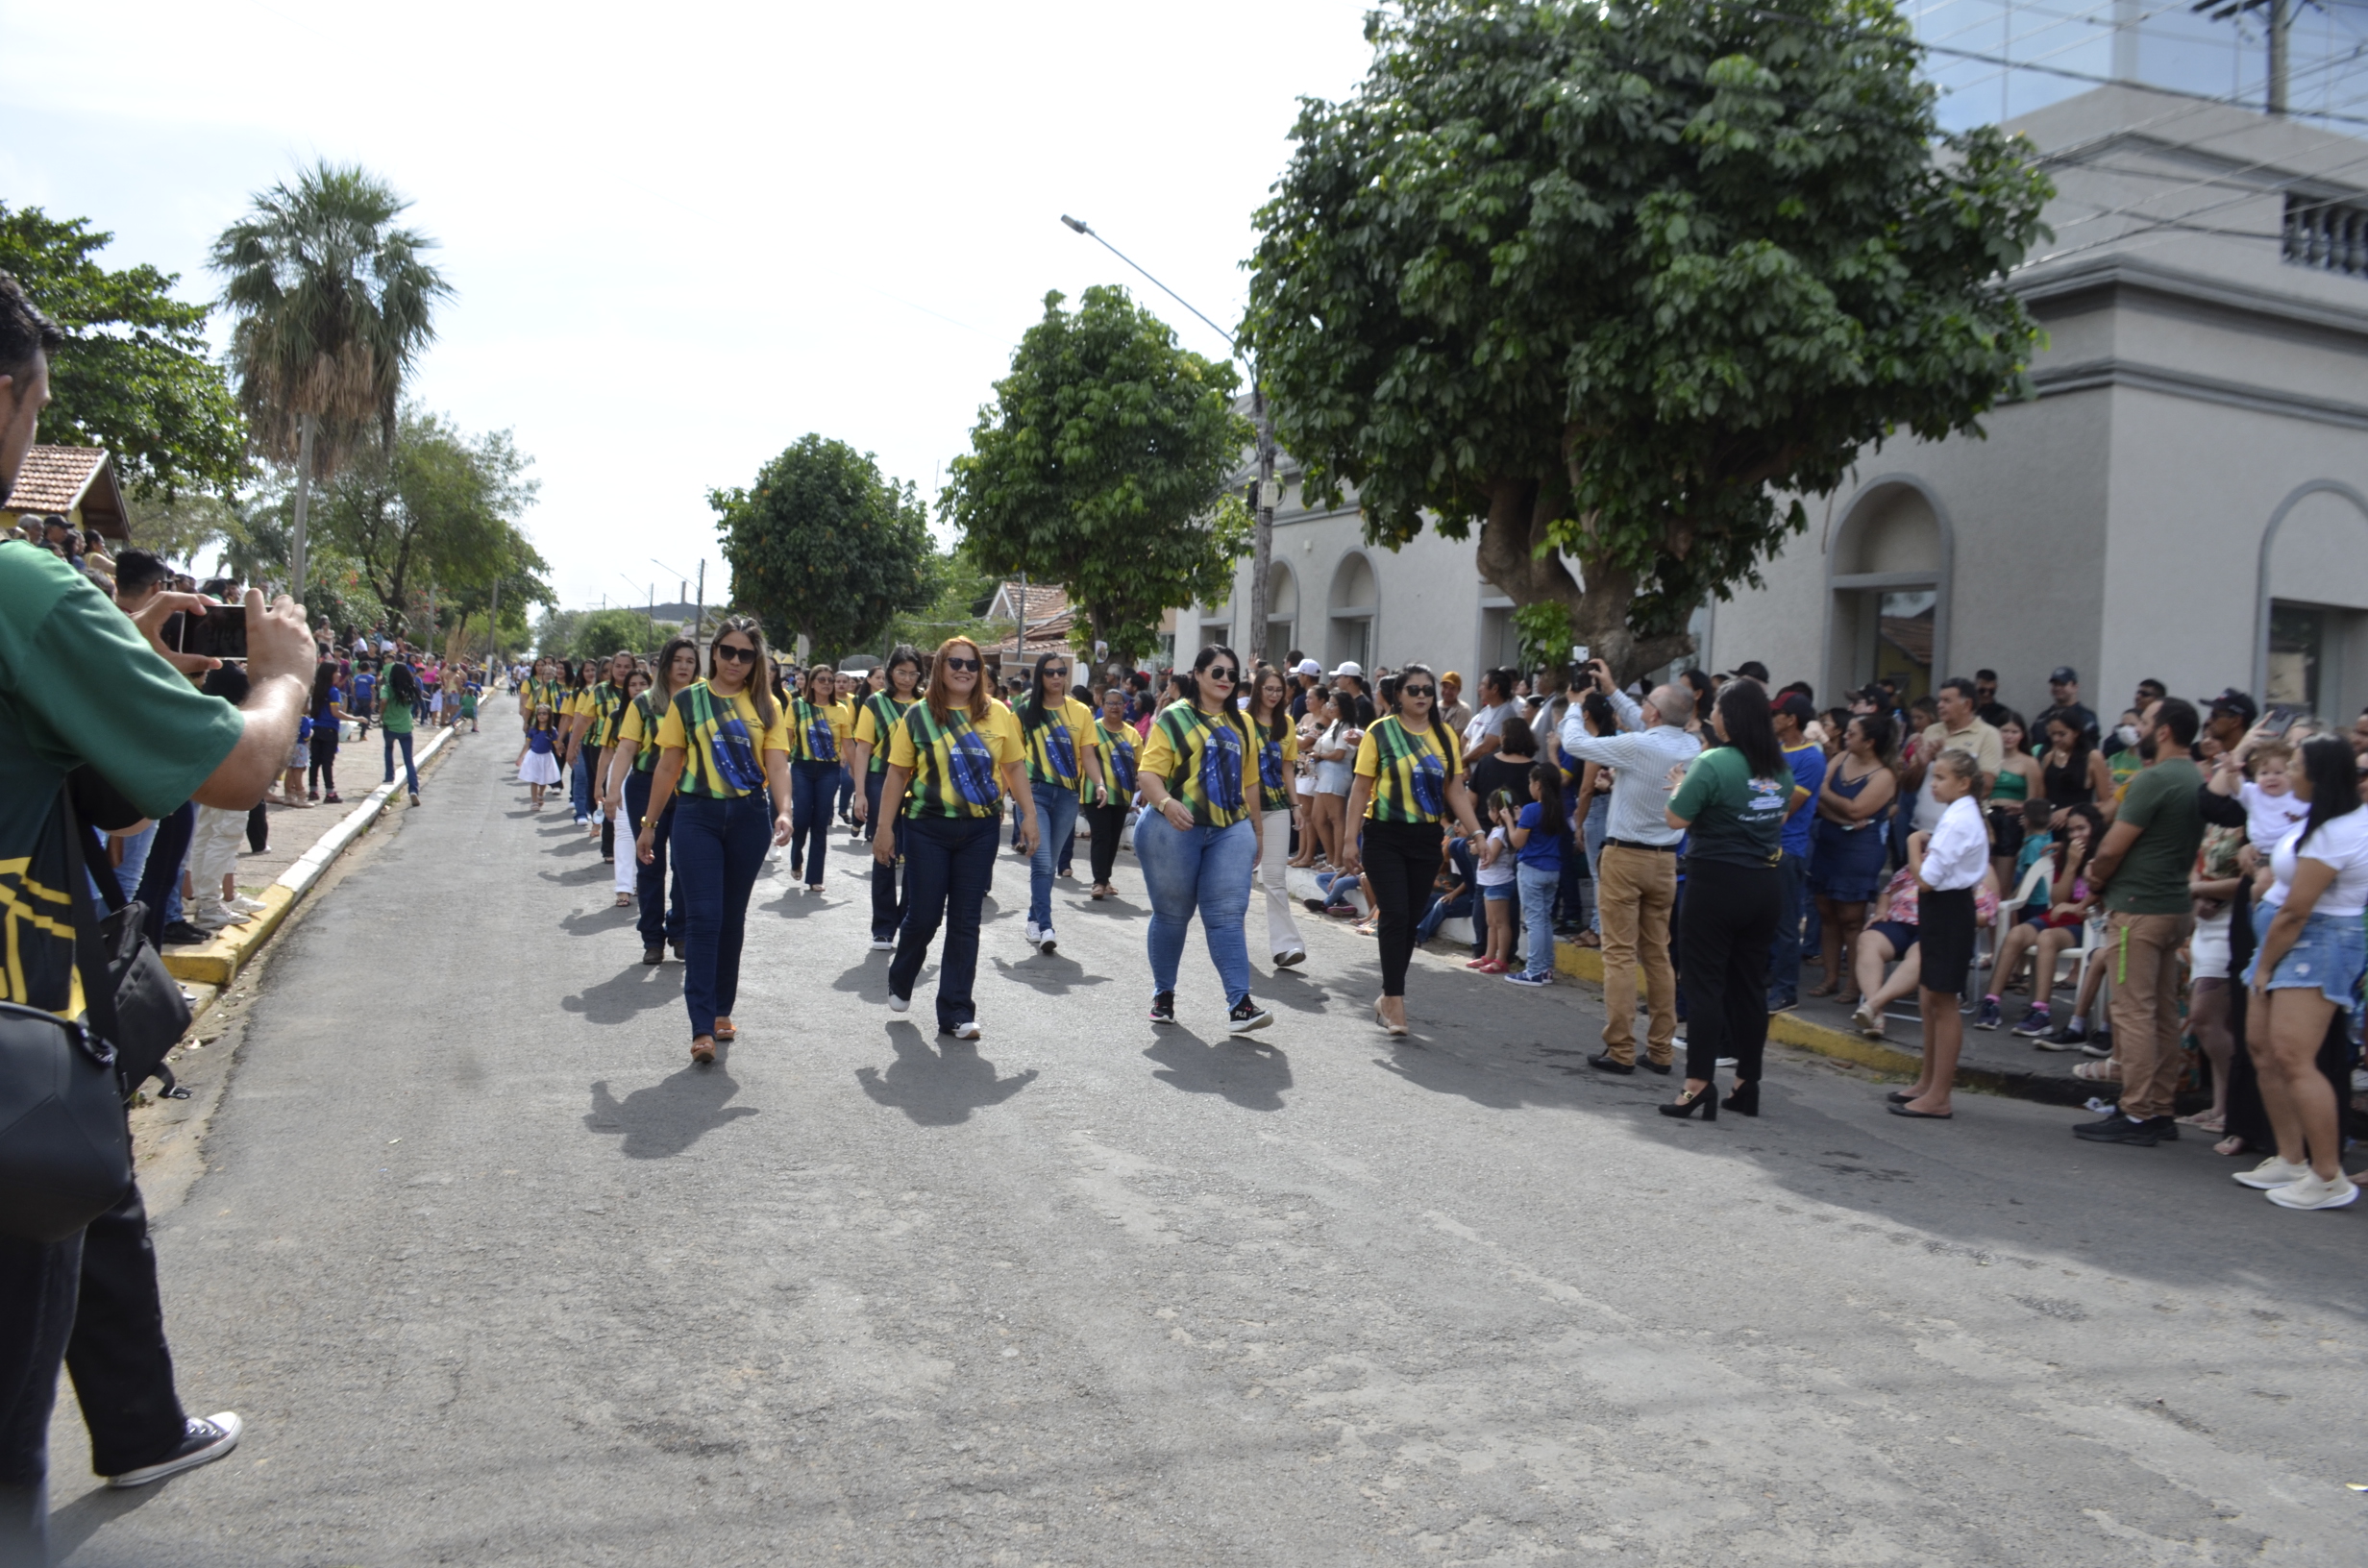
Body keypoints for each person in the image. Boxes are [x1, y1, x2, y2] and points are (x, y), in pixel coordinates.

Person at [3, 269, 317, 1562]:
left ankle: (136, 1419)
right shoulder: (24, 590)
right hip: (16, 1032)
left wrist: (122, 633)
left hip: (51, 1033)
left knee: (102, 1190)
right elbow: (236, 768)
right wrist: (285, 675)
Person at [636, 618, 794, 1065]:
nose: (735, 661)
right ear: (715, 652)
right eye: (728, 651)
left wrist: (784, 810)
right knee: (704, 917)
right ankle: (701, 1026)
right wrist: (649, 823)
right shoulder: (688, 701)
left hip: (748, 818)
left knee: (731, 918)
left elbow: (777, 764)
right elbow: (668, 766)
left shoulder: (767, 706)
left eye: (746, 654)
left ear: (756, 660)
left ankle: (723, 1009)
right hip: (696, 816)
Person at [872, 635, 1040, 1039]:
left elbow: (1015, 768)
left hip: (980, 830)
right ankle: (902, 973)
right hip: (926, 826)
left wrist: (1029, 815)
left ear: (981, 672)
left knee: (965, 921)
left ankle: (956, 1011)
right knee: (925, 915)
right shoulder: (918, 716)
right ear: (940, 670)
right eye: (955, 664)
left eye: (972, 665)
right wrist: (883, 829)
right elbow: (897, 773)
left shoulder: (999, 714)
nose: (964, 670)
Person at [2228, 736, 2367, 1208]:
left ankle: (2328, 1177)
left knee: (2293, 1057)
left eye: (2297, 765)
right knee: (2263, 1049)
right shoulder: (2319, 818)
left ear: (2319, 775)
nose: (2288, 773)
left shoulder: (2339, 830)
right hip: (2285, 940)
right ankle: (2291, 1158)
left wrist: (2265, 965)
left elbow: (2297, 911)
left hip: (2313, 943)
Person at [2074, 698, 2206, 1146]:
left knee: (2133, 1011)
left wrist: (2094, 876)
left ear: (2164, 730)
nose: (2140, 728)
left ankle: (2136, 1111)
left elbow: (2112, 847)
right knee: (2164, 1012)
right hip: (2174, 908)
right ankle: (2161, 1108)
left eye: (2147, 721)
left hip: (2139, 907)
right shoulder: (2194, 775)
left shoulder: (2155, 778)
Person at [1560, 662, 1701, 1073]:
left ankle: (1620, 1048)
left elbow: (1575, 742)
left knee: (1619, 955)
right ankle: (1660, 1050)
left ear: (1653, 713)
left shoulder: (1637, 746)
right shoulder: (1692, 747)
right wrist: (1613, 689)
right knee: (1657, 955)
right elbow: (1654, 721)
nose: (1641, 707)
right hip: (1665, 861)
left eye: (1646, 703)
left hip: (1626, 856)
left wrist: (1576, 703)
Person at [1660, 679, 1791, 1119]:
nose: (1711, 714)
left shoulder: (1712, 762)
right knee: (1749, 986)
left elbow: (1677, 817)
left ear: (1729, 717)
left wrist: (1680, 784)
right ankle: (1746, 1084)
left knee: (1704, 985)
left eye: (1716, 707)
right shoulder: (1780, 767)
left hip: (1715, 883)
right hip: (1765, 883)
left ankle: (1697, 1084)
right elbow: (1779, 814)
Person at [1134, 646, 1275, 1034]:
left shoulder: (1243, 724)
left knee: (1228, 915)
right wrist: (1164, 803)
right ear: (1196, 675)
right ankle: (1164, 994)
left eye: (1232, 674)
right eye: (1217, 672)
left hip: (1230, 829)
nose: (1226, 679)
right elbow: (1149, 775)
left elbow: (1250, 784)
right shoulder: (1174, 718)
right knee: (1172, 915)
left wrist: (1256, 831)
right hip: (1175, 827)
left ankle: (1240, 1004)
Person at [1338, 661, 1483, 1036]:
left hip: (1425, 839)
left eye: (1427, 690)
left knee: (1408, 922)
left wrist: (1477, 831)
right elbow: (1359, 788)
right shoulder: (1381, 731)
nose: (1422, 696)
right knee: (1396, 914)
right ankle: (1396, 1001)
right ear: (1398, 695)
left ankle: (1387, 997)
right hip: (1384, 835)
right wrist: (1349, 839)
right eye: (1413, 689)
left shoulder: (1446, 735)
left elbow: (1455, 790)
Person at [1888, 750, 1988, 1120]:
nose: (1933, 784)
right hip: (1942, 911)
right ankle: (1927, 1083)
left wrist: (1914, 844)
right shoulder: (1956, 815)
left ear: (1964, 783)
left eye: (1942, 778)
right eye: (1934, 777)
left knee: (1943, 1002)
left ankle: (1940, 1094)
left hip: (1949, 909)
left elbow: (1927, 880)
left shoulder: (1961, 818)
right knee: (1929, 997)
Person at [609, 637, 699, 963]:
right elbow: (627, 748)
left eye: (690, 660)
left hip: (690, 789)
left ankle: (679, 931)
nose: (684, 666)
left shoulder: (702, 700)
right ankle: (652, 938)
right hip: (645, 787)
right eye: (678, 660)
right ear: (665, 664)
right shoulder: (644, 702)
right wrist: (612, 790)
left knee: (685, 864)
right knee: (650, 863)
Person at [1014, 651, 1105, 954]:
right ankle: (1046, 926)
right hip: (1032, 793)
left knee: (1049, 865)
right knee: (1041, 860)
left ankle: (1032, 918)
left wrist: (1100, 783)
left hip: (1067, 795)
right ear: (1040, 676)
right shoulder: (1025, 711)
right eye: (1050, 672)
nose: (1056, 677)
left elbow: (1089, 754)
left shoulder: (1081, 712)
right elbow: (1011, 758)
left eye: (1061, 672)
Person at [1809, 713, 1897, 1005]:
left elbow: (1857, 810)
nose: (1845, 737)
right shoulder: (1842, 758)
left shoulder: (1883, 776)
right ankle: (1830, 977)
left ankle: (1855, 983)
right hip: (1830, 841)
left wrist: (1826, 794)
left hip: (1860, 849)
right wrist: (1837, 812)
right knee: (1826, 912)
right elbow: (1820, 799)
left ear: (1870, 742)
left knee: (1851, 917)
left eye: (1853, 734)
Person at [849, 645, 925, 947]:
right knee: (885, 852)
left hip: (921, 782)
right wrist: (859, 792)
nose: (907, 678)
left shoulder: (929, 703)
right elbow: (863, 749)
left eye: (913, 673)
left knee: (917, 855)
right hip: (882, 780)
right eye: (901, 672)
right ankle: (883, 926)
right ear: (890, 672)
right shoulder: (874, 703)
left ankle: (908, 919)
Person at [1245, 665, 1307, 968]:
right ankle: (1232, 941)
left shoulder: (1288, 724)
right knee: (1239, 880)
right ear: (1258, 690)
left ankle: (1287, 947)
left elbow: (1287, 768)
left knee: (1275, 879)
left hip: (1278, 806)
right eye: (1268, 688)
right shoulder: (1242, 720)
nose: (1273, 694)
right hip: (1242, 811)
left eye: (1279, 690)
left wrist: (1296, 806)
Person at [1767, 692, 1826, 1011]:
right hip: (1766, 846)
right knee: (1766, 920)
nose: (1771, 718)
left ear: (1791, 719)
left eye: (1776, 713)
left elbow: (1787, 805)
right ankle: (1770, 977)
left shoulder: (1811, 757)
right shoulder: (1775, 750)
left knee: (1786, 924)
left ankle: (1786, 989)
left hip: (1788, 849)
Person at [1902, 676, 2002, 835]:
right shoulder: (1931, 731)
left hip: (1959, 831)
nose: (1940, 706)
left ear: (1966, 704)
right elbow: (1908, 786)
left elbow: (1985, 788)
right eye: (1940, 700)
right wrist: (1921, 765)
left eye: (1947, 701)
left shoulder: (1988, 734)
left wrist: (1944, 760)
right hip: (1920, 829)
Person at [786, 663, 852, 894]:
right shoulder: (797, 707)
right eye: (821, 679)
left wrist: (855, 769)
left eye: (830, 680)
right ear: (812, 682)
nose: (826, 684)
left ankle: (815, 877)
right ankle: (796, 859)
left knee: (820, 822)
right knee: (802, 818)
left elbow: (848, 743)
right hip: (801, 768)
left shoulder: (841, 710)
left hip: (829, 771)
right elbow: (786, 739)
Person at [1503, 762, 1565, 986]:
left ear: (1537, 784)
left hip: (1532, 870)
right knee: (1545, 919)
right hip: (1553, 869)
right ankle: (1546, 967)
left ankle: (1535, 970)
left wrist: (1510, 822)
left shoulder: (1531, 810)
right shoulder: (1557, 808)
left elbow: (1518, 841)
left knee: (1535, 920)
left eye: (1531, 782)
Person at [1084, 682, 1139, 899]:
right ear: (1102, 705)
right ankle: (1098, 882)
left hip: (1122, 793)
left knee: (1114, 837)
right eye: (1110, 703)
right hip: (1094, 792)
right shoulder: (1093, 729)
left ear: (1125, 706)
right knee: (1101, 835)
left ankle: (1105, 879)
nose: (1115, 707)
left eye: (1119, 703)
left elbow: (1139, 764)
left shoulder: (1133, 734)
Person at [305, 661, 356, 804]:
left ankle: (313, 791)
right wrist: (355, 718)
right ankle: (330, 793)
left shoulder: (317, 690)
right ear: (330, 674)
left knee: (314, 762)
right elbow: (335, 712)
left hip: (316, 728)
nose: (339, 674)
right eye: (337, 671)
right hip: (329, 730)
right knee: (327, 762)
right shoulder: (333, 691)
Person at [380, 659, 422, 805]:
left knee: (388, 749)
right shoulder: (411, 688)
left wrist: (381, 714)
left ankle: (389, 776)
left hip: (389, 726)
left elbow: (384, 701)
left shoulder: (387, 688)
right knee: (409, 760)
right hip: (405, 728)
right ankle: (413, 790)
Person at [2034, 666, 2099, 752]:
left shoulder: (2086, 717)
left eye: (2062, 684)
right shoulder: (2043, 717)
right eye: (2055, 684)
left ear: (2075, 687)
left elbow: (2090, 748)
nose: (2057, 688)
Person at [518, 703, 562, 808]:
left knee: (543, 779)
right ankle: (534, 801)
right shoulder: (533, 730)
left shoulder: (552, 731)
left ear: (549, 715)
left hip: (546, 757)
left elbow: (556, 744)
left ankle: (540, 794)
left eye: (544, 713)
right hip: (534, 757)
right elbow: (527, 744)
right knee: (534, 779)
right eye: (539, 714)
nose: (541, 716)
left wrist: (560, 750)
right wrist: (521, 757)